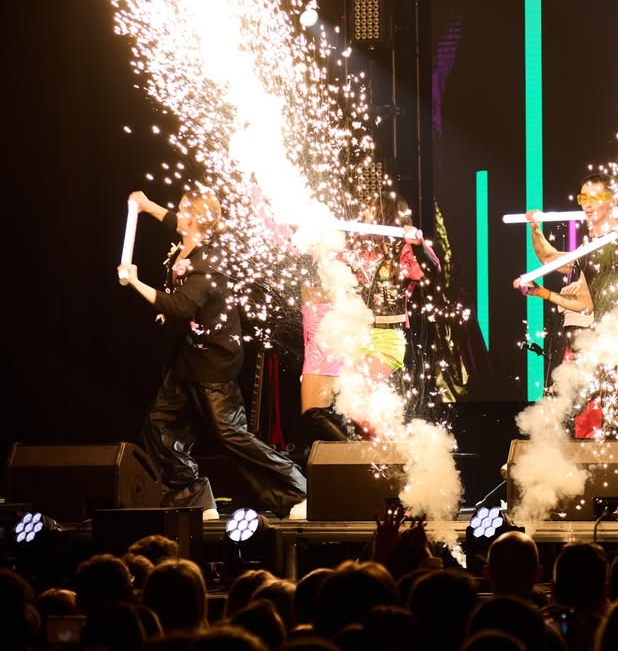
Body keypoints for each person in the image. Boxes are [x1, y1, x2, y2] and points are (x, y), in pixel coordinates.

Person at [118, 188, 307, 520]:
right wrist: (147, 206)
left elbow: (180, 307)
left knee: (230, 434)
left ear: (196, 220)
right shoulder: (190, 239)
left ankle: (297, 492)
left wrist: (134, 281)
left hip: (213, 365)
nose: (176, 215)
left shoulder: (207, 265)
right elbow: (173, 220)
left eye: (183, 210)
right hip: (188, 362)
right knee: (160, 425)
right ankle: (194, 498)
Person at [300, 192, 439, 443]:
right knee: (353, 413)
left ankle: (394, 452)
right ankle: (374, 454)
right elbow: (326, 262)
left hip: (386, 340)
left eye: (370, 209)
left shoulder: (404, 250)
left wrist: (419, 246)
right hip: (356, 336)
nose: (364, 213)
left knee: (355, 397)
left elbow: (432, 271)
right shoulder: (357, 248)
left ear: (385, 215)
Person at [518, 173, 618, 435]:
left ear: (612, 200)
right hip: (600, 341)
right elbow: (553, 263)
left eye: (595, 197)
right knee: (573, 406)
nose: (587, 204)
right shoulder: (589, 248)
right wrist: (535, 230)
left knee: (617, 416)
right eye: (583, 198)